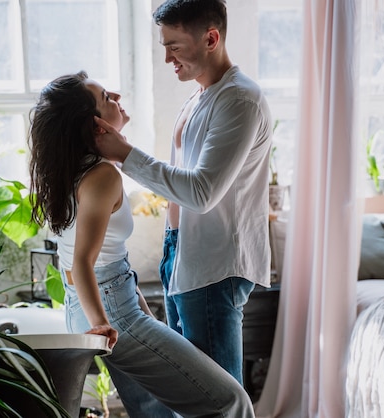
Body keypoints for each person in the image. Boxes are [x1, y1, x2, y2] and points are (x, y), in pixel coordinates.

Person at [27, 71, 255, 418]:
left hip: (88, 305)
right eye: (106, 97)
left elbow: (87, 262)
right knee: (230, 401)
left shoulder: (71, 172)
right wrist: (103, 324)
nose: (116, 96)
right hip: (109, 312)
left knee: (155, 414)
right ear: (96, 126)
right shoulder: (102, 176)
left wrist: (127, 315)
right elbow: (84, 262)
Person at [94, 0, 273, 386]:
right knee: (191, 393)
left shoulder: (239, 100)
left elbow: (201, 192)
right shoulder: (201, 96)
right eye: (163, 46)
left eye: (174, 46)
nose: (166, 58)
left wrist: (124, 154)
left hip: (214, 263)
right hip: (183, 253)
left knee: (214, 399)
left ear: (211, 38)